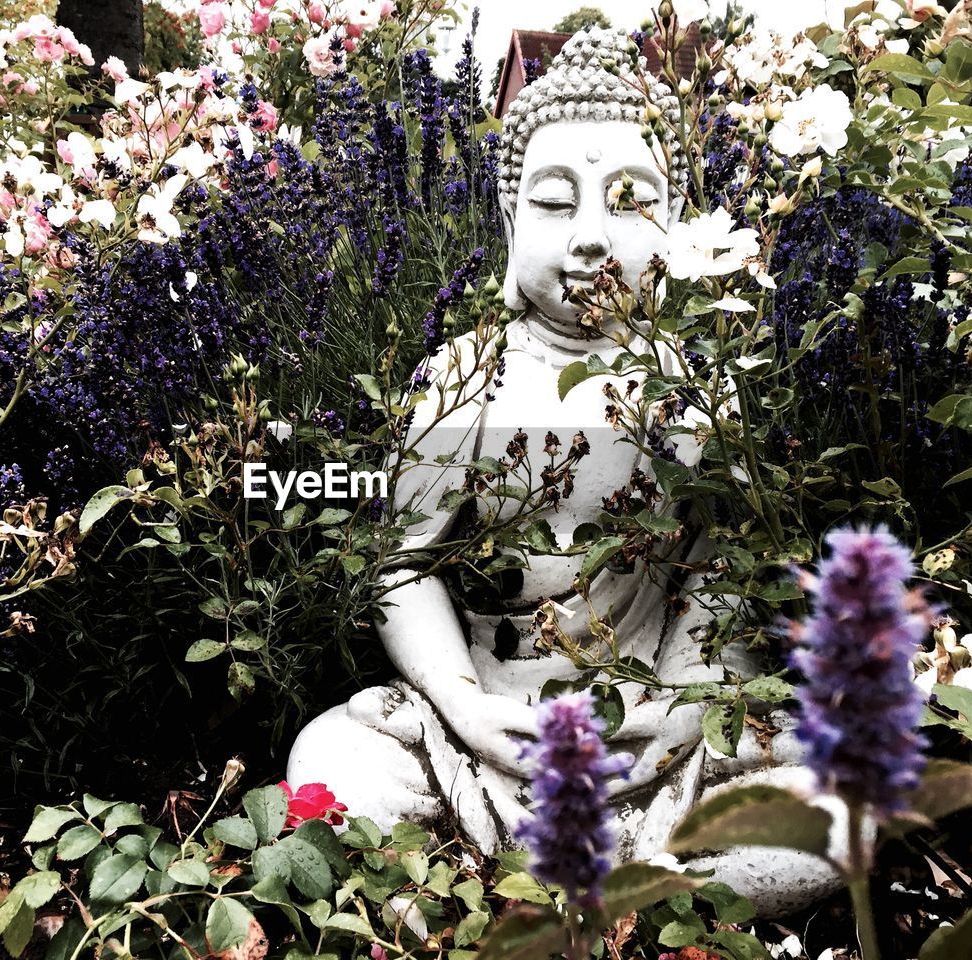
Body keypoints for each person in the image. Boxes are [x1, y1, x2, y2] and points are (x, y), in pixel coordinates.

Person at [288, 28, 839, 915]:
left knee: (832, 818)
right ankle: (626, 894)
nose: (591, 238)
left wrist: (694, 703)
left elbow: (722, 573)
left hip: (655, 731)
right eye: (554, 203)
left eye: (630, 203)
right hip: (499, 733)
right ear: (510, 224)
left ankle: (582, 886)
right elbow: (401, 563)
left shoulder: (698, 387)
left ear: (672, 223)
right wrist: (464, 707)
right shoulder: (466, 379)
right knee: (335, 765)